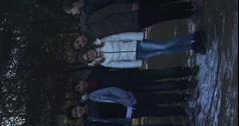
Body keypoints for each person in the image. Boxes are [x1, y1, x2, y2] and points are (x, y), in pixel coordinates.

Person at [78, 31, 207, 69]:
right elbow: (121, 65)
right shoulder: (103, 62)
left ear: (88, 49)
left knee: (163, 46)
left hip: (137, 45)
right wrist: (137, 64)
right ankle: (193, 46)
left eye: (87, 54)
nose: (89, 55)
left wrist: (137, 36)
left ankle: (192, 36)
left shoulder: (103, 41)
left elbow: (120, 36)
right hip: (137, 56)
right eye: (88, 58)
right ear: (91, 60)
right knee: (165, 51)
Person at [81, 0, 200, 39]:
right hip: (135, 25)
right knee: (163, 18)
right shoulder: (96, 39)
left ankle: (188, 5)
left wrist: (129, 7)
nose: (81, 42)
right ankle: (187, 14)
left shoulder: (91, 21)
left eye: (78, 41)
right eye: (80, 45)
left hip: (132, 15)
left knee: (161, 10)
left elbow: (111, 10)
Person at [67, 87, 187, 123]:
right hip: (130, 114)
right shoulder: (92, 118)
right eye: (76, 114)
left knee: (158, 98)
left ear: (77, 106)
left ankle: (183, 96)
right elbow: (110, 121)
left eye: (75, 110)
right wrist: (126, 120)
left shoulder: (92, 97)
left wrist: (125, 96)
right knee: (157, 111)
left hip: (131, 99)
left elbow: (110, 90)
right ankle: (182, 111)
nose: (78, 112)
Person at [74, 66, 197, 94]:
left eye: (78, 84)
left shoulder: (94, 72)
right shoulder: (93, 95)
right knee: (161, 86)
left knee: (161, 73)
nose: (81, 86)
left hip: (133, 75)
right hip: (132, 89)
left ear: (80, 81)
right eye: (79, 88)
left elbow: (114, 67)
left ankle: (187, 71)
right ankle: (185, 85)